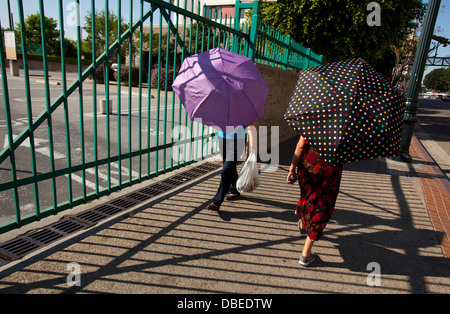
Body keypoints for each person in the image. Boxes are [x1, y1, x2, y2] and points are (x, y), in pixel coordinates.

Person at [286, 135, 343, 266]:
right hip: (331, 170)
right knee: (322, 207)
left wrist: (291, 168)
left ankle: (303, 225)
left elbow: (300, 145)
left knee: (308, 196)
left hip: (309, 164)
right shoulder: (348, 127)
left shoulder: (313, 116)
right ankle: (305, 254)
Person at [207, 123, 256, 211]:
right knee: (230, 166)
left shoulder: (245, 108)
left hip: (238, 140)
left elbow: (251, 124)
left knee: (226, 171)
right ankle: (235, 189)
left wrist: (252, 143)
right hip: (222, 137)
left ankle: (217, 201)